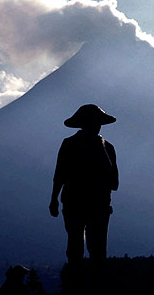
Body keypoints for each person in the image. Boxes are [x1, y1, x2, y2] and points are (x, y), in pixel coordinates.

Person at [49, 104, 119, 292]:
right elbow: (60, 174)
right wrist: (54, 198)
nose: (96, 126)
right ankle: (80, 286)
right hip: (85, 205)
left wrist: (54, 199)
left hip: (85, 205)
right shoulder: (104, 148)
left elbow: (60, 175)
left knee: (88, 250)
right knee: (82, 250)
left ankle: (86, 286)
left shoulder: (103, 147)